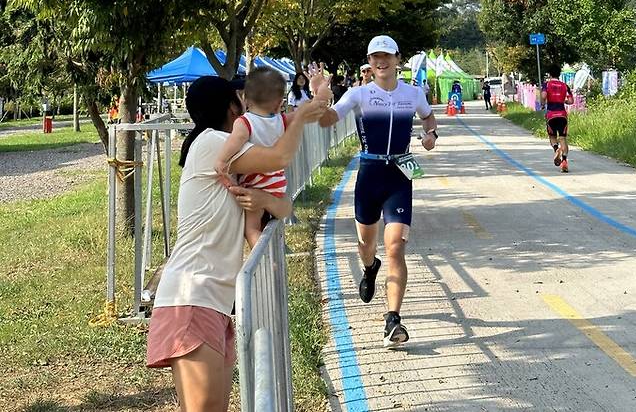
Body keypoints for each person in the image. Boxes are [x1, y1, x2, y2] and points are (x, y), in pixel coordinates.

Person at [146, 75, 327, 412]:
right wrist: (300, 117)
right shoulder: (213, 143)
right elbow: (279, 158)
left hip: (216, 300)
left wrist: (261, 197)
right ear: (232, 106)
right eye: (241, 97)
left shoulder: (232, 162)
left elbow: (284, 205)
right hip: (192, 295)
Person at [316, 35, 437, 347]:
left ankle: (393, 320)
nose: (381, 62)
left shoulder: (413, 93)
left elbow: (428, 116)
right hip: (369, 174)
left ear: (398, 58)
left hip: (399, 173)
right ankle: (370, 268)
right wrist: (319, 99)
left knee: (395, 246)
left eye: (386, 56)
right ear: (369, 62)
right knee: (365, 245)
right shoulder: (358, 95)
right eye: (375, 57)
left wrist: (430, 135)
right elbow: (330, 119)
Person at [215, 67, 290, 248]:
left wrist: (222, 160)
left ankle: (265, 260)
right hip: (277, 182)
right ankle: (277, 252)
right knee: (267, 225)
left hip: (257, 182)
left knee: (252, 229)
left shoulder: (245, 121)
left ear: (246, 100)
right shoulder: (279, 120)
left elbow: (236, 139)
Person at [541, 64, 574, 173]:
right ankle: (564, 161)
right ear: (559, 74)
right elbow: (571, 101)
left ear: (550, 74)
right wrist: (563, 101)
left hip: (551, 115)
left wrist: (542, 104)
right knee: (563, 138)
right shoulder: (565, 86)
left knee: (552, 136)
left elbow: (544, 96)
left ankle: (556, 149)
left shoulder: (547, 84)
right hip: (562, 115)